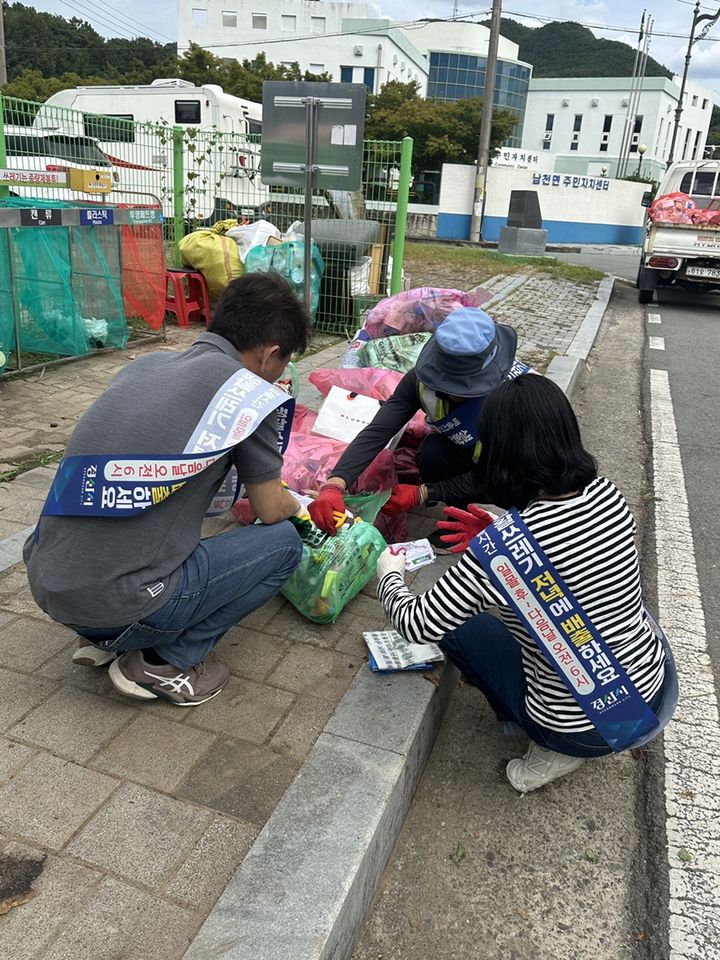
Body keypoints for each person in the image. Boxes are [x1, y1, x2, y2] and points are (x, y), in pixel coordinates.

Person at [24, 273, 310, 707]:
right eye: (284, 363)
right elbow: (270, 509)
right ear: (271, 354)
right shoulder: (249, 394)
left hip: (47, 583)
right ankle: (164, 661)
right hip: (121, 601)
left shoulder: (144, 366)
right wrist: (300, 505)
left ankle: (108, 636)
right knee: (284, 544)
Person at [374, 374, 670, 793]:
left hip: (577, 726)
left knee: (458, 626)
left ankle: (553, 748)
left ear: (499, 451)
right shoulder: (607, 494)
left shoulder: (501, 549)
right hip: (646, 692)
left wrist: (389, 568)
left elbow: (417, 623)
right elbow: (564, 556)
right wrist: (498, 532)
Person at [308, 306, 522, 546]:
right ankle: (461, 516)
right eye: (450, 386)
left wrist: (424, 492)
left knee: (520, 498)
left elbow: (500, 472)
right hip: (467, 456)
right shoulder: (420, 383)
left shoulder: (514, 396)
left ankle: (513, 530)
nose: (455, 394)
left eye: (465, 387)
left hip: (513, 474)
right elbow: (378, 431)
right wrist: (336, 483)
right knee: (431, 452)